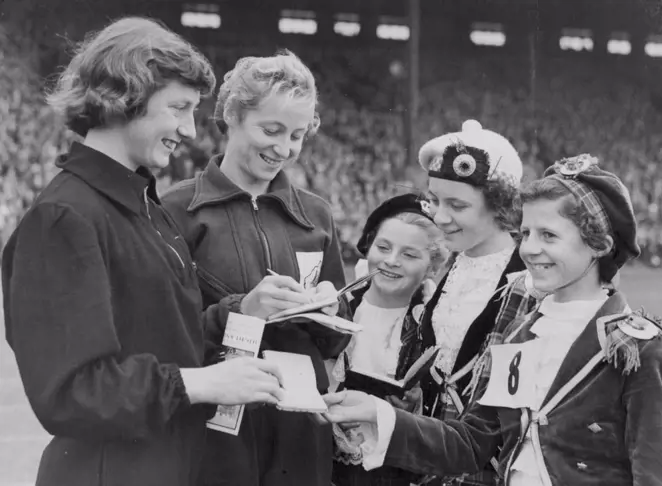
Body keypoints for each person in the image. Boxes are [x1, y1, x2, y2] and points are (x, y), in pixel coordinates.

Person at [1, 18, 287, 486]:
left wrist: (242, 313)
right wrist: (200, 383)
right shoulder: (64, 217)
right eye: (178, 108)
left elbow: (165, 335)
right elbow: (73, 392)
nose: (191, 129)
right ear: (124, 97)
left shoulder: (145, 205)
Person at [322, 155, 662, 486]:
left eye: (549, 235)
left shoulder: (636, 348)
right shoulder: (519, 333)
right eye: (525, 234)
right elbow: (471, 443)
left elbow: (658, 471)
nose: (528, 249)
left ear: (599, 244)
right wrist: (380, 414)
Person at [161, 50, 349, 486]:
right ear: (232, 116)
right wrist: (242, 310)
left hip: (301, 441)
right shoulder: (176, 210)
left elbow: (337, 342)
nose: (284, 148)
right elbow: (162, 338)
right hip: (211, 439)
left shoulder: (316, 216)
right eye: (271, 130)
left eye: (298, 135)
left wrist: (331, 313)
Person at [416, 120, 528, 485]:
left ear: (500, 205)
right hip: (434, 456)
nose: (440, 217)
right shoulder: (455, 264)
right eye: (434, 201)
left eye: (457, 205)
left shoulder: (528, 280)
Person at [330, 193, 448, 486]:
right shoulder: (339, 306)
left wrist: (417, 402)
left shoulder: (435, 323)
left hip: (392, 469)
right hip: (325, 458)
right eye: (383, 247)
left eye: (409, 255)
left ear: (432, 267)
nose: (391, 261)